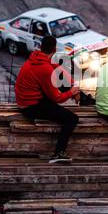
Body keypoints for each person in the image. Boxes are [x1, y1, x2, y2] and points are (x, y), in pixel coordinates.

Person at [15, 35, 80, 164]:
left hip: (26, 100)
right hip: (30, 107)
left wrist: (72, 84)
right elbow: (57, 98)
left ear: (40, 47)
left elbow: (54, 66)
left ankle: (80, 95)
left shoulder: (35, 57)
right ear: (54, 49)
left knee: (59, 77)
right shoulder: (45, 69)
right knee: (72, 118)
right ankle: (58, 154)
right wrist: (71, 92)